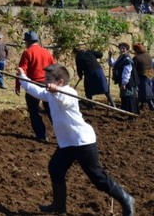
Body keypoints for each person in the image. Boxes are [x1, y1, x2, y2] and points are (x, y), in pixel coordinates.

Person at [18, 64, 134, 215]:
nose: (45, 81)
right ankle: (59, 206)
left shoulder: (69, 93)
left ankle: (126, 199)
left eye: (48, 79)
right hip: (67, 144)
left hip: (82, 142)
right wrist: (22, 77)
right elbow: (35, 90)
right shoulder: (49, 93)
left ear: (59, 81)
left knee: (97, 177)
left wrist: (56, 91)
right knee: (55, 168)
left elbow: (64, 101)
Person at [16, 31, 56, 142]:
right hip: (48, 85)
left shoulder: (27, 53)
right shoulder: (47, 52)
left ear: (28, 42)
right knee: (51, 110)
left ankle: (42, 135)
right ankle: (61, 132)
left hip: (34, 86)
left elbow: (21, 70)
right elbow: (54, 68)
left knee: (34, 111)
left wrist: (18, 85)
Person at [109, 43, 139, 115]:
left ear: (127, 50)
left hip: (129, 82)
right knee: (125, 97)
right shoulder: (121, 57)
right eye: (121, 48)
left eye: (124, 48)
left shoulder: (127, 59)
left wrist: (124, 83)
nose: (122, 50)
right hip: (124, 81)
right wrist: (110, 56)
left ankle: (132, 115)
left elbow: (127, 72)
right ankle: (127, 113)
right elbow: (113, 64)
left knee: (130, 97)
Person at [131, 43, 154, 111]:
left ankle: (151, 105)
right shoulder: (148, 55)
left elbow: (133, 68)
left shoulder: (136, 58)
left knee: (144, 91)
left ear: (137, 50)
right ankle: (143, 104)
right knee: (150, 89)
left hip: (143, 75)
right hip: (151, 73)